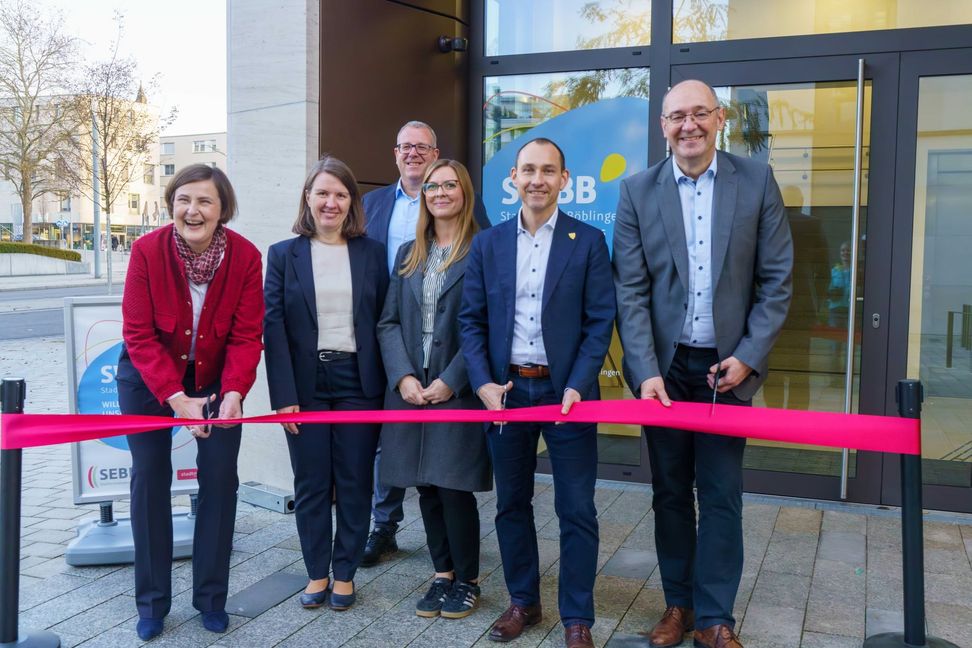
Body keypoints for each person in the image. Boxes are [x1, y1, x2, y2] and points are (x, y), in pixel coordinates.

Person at [613, 79, 793, 648]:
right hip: (663, 375)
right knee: (669, 492)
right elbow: (631, 293)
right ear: (662, 126)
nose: (687, 126)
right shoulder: (637, 191)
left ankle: (716, 618)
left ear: (719, 119)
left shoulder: (756, 180)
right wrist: (644, 370)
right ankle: (678, 606)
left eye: (698, 114)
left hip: (726, 372)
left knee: (720, 494)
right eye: (675, 117)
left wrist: (747, 357)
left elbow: (776, 281)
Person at [459, 137, 615, 648]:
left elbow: (599, 323)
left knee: (577, 509)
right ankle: (522, 601)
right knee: (511, 504)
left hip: (566, 393)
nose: (537, 180)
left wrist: (577, 384)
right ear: (513, 178)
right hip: (506, 392)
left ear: (564, 180)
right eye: (528, 170)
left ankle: (577, 618)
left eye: (548, 171)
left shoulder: (587, 241)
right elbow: (472, 320)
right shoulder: (488, 244)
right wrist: (482, 381)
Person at [117, 164, 264, 640]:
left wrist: (235, 392)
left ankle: (211, 599)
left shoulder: (244, 257)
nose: (192, 210)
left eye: (204, 201)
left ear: (223, 210)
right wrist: (177, 399)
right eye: (183, 199)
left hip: (219, 381)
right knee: (149, 483)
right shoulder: (146, 251)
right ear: (171, 205)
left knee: (220, 481)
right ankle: (153, 604)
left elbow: (246, 335)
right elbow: (138, 335)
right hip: (149, 381)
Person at [360, 119, 490, 566]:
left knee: (451, 484)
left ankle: (466, 578)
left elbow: (486, 324)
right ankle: (435, 568)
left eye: (448, 186)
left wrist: (454, 379)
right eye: (433, 189)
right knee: (420, 479)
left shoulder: (484, 248)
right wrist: (402, 375)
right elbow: (387, 319)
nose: (439, 194)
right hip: (407, 376)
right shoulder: (405, 247)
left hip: (455, 380)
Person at [263, 155, 388, 612]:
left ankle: (346, 573)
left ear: (351, 202)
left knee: (355, 482)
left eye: (340, 194)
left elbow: (383, 321)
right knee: (313, 483)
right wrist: (283, 397)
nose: (331, 202)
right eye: (323, 193)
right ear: (308, 199)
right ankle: (317, 573)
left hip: (360, 381)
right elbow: (272, 329)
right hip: (305, 385)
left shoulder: (372, 253)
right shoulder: (283, 254)